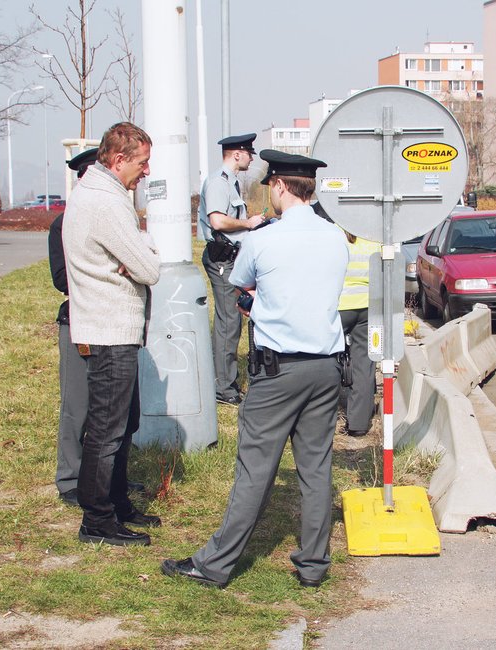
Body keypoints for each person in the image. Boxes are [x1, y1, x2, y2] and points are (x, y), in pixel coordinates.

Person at [161, 150, 349, 588]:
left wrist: (259, 303)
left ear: (279, 186)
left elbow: (239, 283)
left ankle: (215, 565)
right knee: (317, 468)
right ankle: (314, 565)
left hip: (277, 371)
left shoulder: (264, 239)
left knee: (255, 469)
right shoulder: (336, 236)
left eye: (271, 187)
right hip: (325, 368)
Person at [62, 122, 161, 546]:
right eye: (142, 162)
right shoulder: (105, 201)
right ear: (118, 160)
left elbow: (141, 259)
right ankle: (97, 521)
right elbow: (151, 268)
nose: (146, 171)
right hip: (108, 331)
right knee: (106, 430)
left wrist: (138, 254)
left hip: (112, 328)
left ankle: (117, 503)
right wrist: (139, 255)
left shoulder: (101, 194)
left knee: (122, 422)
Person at [197, 133, 267, 406]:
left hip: (232, 256)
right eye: (249, 152)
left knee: (233, 319)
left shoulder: (232, 182)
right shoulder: (218, 182)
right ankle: (223, 389)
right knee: (229, 321)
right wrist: (248, 224)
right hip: (222, 258)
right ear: (236, 154)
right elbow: (217, 221)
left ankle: (226, 383)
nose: (252, 156)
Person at [337, 229, 381, 437]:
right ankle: (359, 424)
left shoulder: (334, 233)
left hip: (339, 306)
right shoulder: (375, 235)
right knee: (365, 364)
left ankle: (324, 417)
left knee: (326, 361)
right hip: (369, 307)